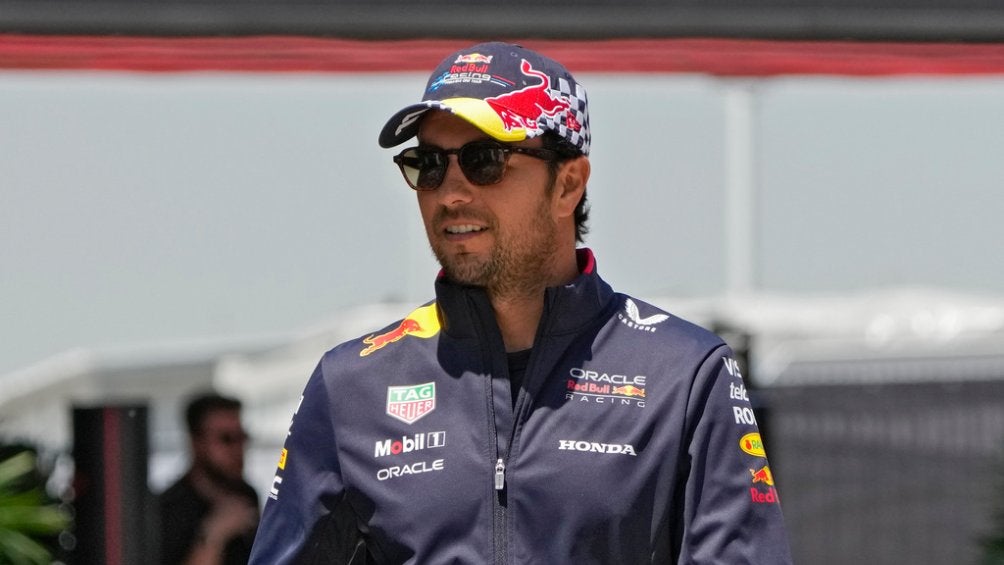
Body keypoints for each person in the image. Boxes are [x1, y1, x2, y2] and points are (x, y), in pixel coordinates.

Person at [249, 41, 792, 564]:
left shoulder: (684, 373)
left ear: (567, 185)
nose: (450, 192)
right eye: (428, 164)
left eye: (484, 160)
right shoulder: (352, 385)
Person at [160, 392, 260, 565]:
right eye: (226, 439)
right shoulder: (170, 508)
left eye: (242, 438)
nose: (238, 449)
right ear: (197, 443)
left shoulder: (246, 494)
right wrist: (214, 535)